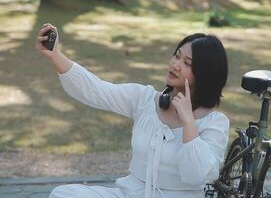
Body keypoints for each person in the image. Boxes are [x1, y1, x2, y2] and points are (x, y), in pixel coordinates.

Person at [36, 23, 230, 198]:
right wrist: (56, 55)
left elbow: (196, 176)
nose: (175, 65)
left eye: (187, 63)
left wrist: (189, 123)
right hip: (130, 193)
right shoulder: (144, 99)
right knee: (63, 194)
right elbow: (96, 90)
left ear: (205, 74)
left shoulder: (214, 122)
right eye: (177, 56)